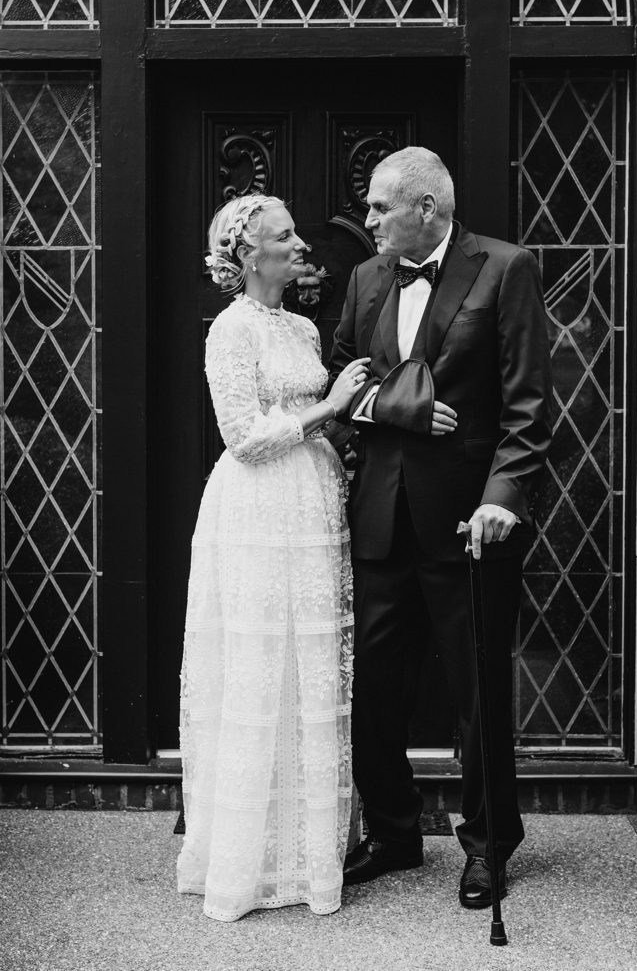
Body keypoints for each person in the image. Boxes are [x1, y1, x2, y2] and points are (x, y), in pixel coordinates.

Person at [329, 147, 552, 908]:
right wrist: (392, 405)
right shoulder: (364, 280)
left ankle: (489, 843)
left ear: (426, 207)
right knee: (373, 690)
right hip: (380, 523)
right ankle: (393, 830)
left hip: (470, 524)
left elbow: (527, 408)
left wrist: (503, 498)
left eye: (379, 209)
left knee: (477, 692)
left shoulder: (505, 268)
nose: (368, 222)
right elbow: (340, 382)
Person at [177, 194, 372, 921]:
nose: (299, 243)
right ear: (248, 255)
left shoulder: (302, 326)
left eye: (293, 233)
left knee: (310, 666)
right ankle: (245, 860)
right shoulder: (229, 330)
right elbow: (242, 435)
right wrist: (330, 408)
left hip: (314, 501)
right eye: (283, 236)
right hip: (256, 507)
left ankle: (307, 856)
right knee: (259, 666)